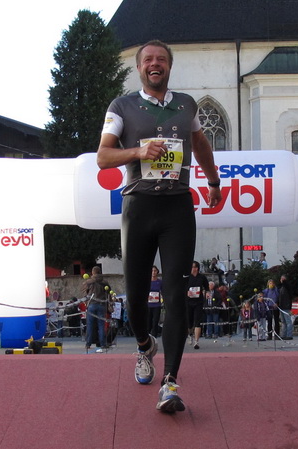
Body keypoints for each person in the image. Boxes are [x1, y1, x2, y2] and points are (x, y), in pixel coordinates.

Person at [97, 39, 222, 413]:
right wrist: (137, 151)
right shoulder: (122, 106)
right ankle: (144, 346)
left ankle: (170, 382)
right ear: (139, 68)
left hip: (177, 208)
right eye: (149, 60)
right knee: (136, 297)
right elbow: (103, 156)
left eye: (162, 59)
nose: (156, 64)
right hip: (138, 207)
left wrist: (213, 181)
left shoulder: (186, 104)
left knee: (176, 293)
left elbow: (200, 143)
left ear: (169, 66)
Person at [82, 266, 111, 353]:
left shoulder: (89, 282)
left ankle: (88, 344)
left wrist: (86, 302)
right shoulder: (105, 282)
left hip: (92, 304)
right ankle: (102, 344)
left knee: (90, 325)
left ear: (92, 272)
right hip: (102, 304)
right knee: (101, 325)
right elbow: (109, 293)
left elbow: (84, 293)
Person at [186, 261, 209, 350]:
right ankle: (190, 334)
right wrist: (187, 292)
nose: (193, 269)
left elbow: (207, 287)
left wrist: (207, 293)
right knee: (189, 321)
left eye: (195, 267)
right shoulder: (188, 277)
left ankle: (196, 341)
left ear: (197, 268)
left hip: (198, 302)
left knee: (197, 321)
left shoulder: (202, 277)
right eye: (192, 267)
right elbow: (182, 287)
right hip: (189, 302)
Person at [148, 266, 163, 337]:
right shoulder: (147, 282)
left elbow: (163, 291)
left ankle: (154, 337)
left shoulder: (160, 282)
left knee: (155, 322)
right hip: (148, 305)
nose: (153, 272)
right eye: (152, 271)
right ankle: (147, 337)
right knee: (148, 322)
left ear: (157, 272)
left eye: (155, 271)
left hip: (157, 305)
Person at [278, 275, 294, 340]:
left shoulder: (287, 286)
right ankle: (283, 335)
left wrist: (284, 281)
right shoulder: (281, 287)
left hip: (286, 306)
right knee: (283, 321)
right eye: (281, 278)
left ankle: (289, 335)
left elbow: (287, 285)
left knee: (288, 321)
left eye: (283, 279)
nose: (282, 280)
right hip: (281, 306)